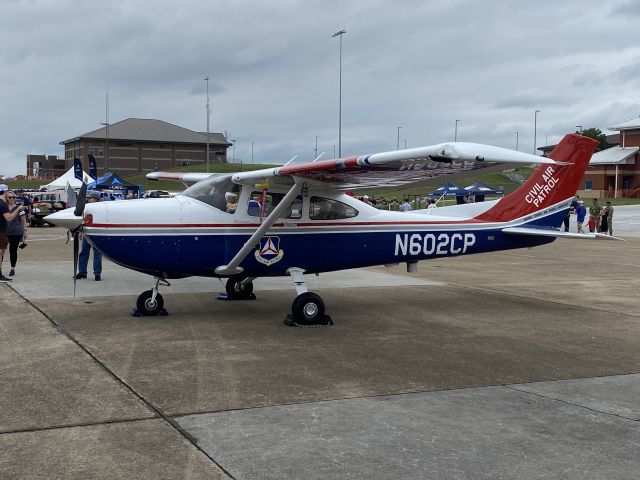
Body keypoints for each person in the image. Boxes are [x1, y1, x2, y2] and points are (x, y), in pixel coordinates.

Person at [0, 185, 28, 281]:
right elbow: (8, 218)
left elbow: (23, 220)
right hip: (4, 231)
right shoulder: (3, 206)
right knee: (1, 252)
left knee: (13, 251)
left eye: (13, 197)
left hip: (15, 232)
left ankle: (12, 268)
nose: (12, 198)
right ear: (6, 196)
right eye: (10, 197)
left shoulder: (16, 207)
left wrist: (25, 231)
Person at [75, 192, 102, 281]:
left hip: (97, 234)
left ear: (96, 199)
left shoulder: (101, 209)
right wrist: (81, 232)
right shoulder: (87, 208)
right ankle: (82, 272)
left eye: (91, 198)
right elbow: (83, 220)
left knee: (97, 254)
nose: (89, 199)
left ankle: (97, 273)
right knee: (84, 252)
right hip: (87, 233)